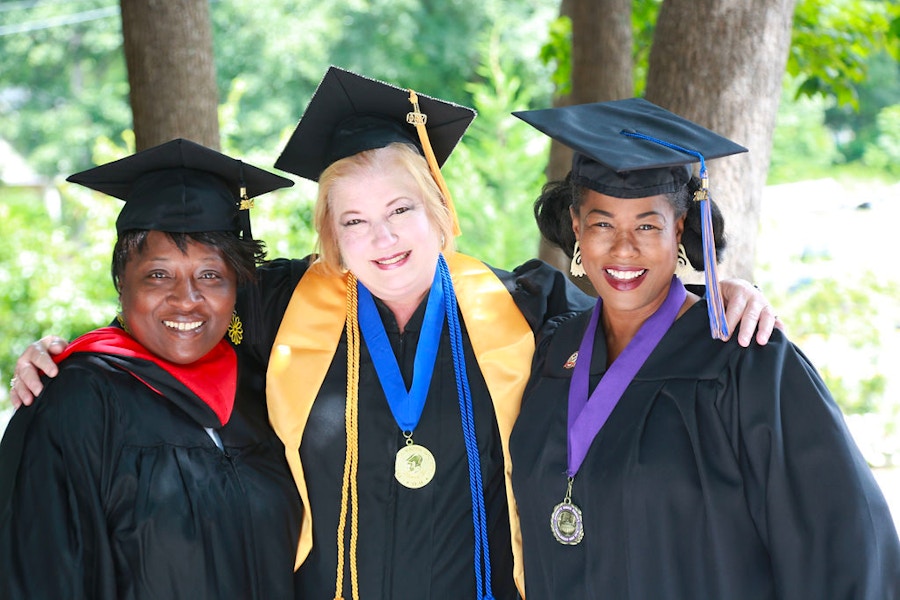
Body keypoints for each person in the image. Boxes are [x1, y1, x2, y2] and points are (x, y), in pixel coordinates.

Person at [6, 68, 780, 600]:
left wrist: (705, 294)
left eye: (400, 211)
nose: (382, 239)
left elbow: (629, 327)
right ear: (330, 237)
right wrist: (65, 358)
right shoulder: (281, 310)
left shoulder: (526, 307)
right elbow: (181, 318)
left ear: (439, 209)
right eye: (354, 221)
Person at [508, 98, 900, 599]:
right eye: (603, 223)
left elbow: (843, 544)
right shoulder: (551, 347)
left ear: (681, 230)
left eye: (647, 226)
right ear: (577, 227)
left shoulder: (746, 358)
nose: (624, 248)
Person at [0, 139, 303, 599]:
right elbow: (39, 572)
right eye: (158, 275)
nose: (186, 299)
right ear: (123, 282)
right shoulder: (76, 398)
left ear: (237, 288)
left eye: (210, 275)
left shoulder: (263, 389)